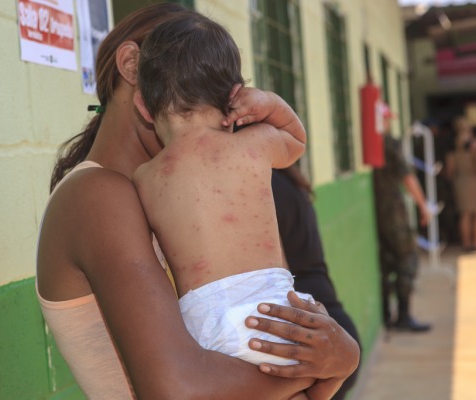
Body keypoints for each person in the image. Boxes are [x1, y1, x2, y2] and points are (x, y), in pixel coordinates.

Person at [37, 4, 360, 400]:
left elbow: (278, 326)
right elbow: (180, 391)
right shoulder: (99, 195)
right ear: (132, 65)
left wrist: (326, 359)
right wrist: (331, 363)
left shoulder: (184, 193)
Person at [132, 13, 336, 400]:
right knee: (315, 377)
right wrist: (268, 104)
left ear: (143, 106)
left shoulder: (144, 177)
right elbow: (296, 139)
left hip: (205, 330)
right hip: (280, 312)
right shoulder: (255, 145)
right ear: (235, 94)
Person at [272, 166, 361, 400]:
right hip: (333, 330)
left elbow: (276, 279)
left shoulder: (261, 184)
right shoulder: (284, 176)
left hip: (315, 339)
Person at [372, 103, 432, 332]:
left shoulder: (371, 145)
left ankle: (388, 314)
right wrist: (423, 205)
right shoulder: (389, 144)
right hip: (394, 213)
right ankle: (404, 315)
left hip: (379, 213)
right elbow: (408, 177)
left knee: (387, 263)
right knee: (408, 260)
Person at [446, 116, 476, 251]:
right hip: (473, 181)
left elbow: (450, 171)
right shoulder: (473, 146)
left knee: (464, 214)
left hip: (460, 182)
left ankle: (466, 243)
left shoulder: (453, 146)